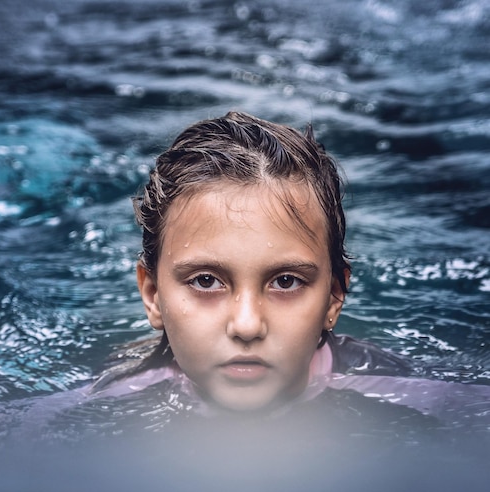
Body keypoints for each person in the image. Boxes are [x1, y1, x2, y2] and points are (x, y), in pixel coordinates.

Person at [86, 111, 488, 421]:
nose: (246, 326)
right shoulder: (86, 409)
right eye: (206, 281)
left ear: (334, 295)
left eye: (286, 281)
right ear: (153, 295)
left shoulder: (430, 400)